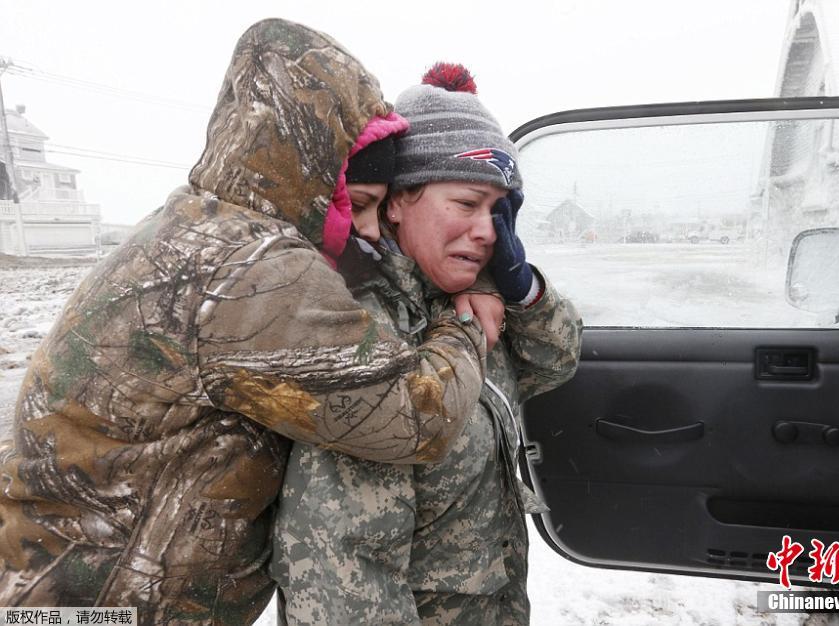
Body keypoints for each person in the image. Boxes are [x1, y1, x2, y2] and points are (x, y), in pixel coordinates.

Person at [0, 21, 496, 624]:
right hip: (103, 604)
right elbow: (415, 416)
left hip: (57, 592)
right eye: (357, 203)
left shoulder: (192, 225)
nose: (368, 231)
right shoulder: (257, 270)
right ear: (310, 174)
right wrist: (465, 326)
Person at [271, 63, 583, 625]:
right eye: (466, 204)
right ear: (396, 203)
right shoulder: (363, 337)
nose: (489, 231)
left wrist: (524, 291)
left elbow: (554, 363)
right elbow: (343, 575)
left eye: (499, 212)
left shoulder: (461, 303)